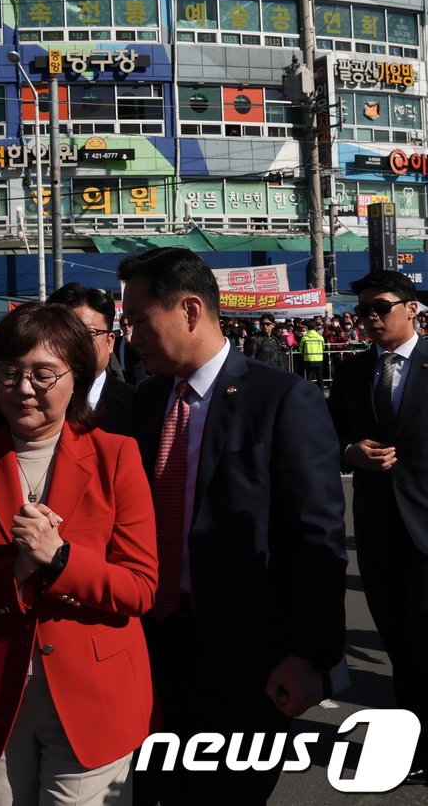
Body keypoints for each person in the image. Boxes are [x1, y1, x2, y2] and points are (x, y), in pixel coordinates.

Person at [118, 248, 346, 805]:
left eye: (140, 321)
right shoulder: (147, 400)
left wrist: (309, 654)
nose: (130, 337)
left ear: (190, 310)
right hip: (152, 644)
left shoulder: (281, 398)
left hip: (246, 657)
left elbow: (316, 536)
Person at [0, 303, 157, 805]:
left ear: (75, 377)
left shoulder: (116, 455)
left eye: (42, 373)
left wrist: (60, 560)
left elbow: (141, 587)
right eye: (9, 373)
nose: (23, 387)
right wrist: (15, 571)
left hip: (94, 694)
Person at [328, 270, 428, 779]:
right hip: (378, 529)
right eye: (362, 309)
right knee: (400, 645)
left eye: (379, 307)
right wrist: (351, 452)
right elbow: (329, 435)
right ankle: (414, 744)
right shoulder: (351, 372)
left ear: (412, 309)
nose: (368, 318)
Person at [47, 283, 135, 437]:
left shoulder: (140, 403)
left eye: (88, 333)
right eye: (65, 333)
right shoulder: (31, 401)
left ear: (109, 342)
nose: (75, 342)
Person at [299, 321, 326, 387]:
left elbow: (300, 349)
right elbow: (323, 348)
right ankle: (321, 392)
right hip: (319, 360)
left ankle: (309, 393)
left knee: (309, 378)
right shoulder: (320, 338)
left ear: (308, 328)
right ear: (315, 328)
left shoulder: (304, 338)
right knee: (320, 377)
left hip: (308, 360)